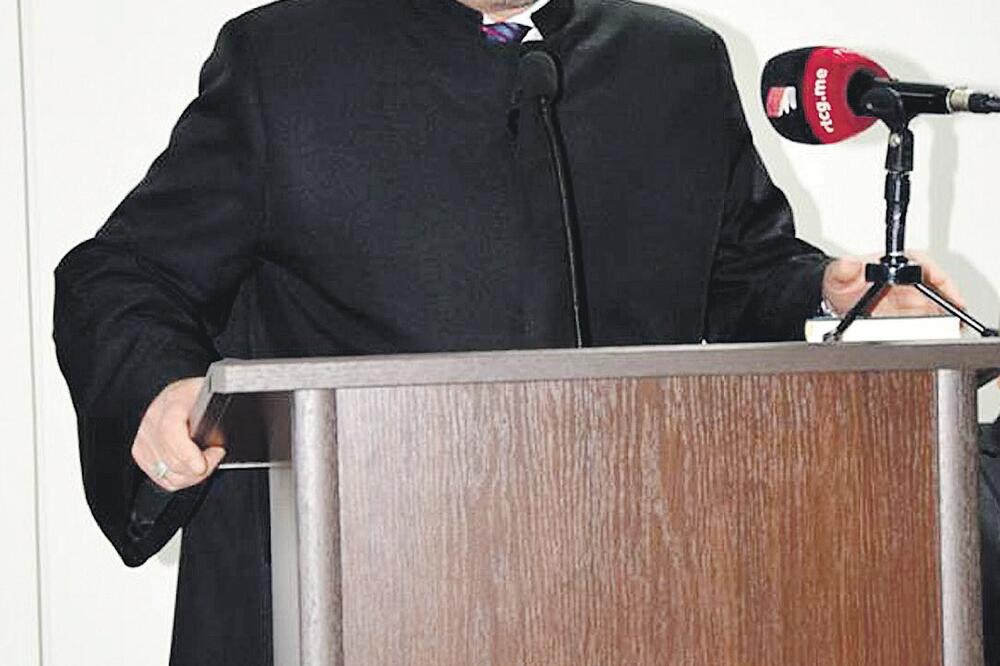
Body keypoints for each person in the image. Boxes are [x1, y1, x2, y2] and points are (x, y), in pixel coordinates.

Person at [52, 0, 964, 663]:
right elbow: (122, 273)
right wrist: (159, 386)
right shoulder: (287, 57)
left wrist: (828, 291)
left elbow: (737, 273)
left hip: (633, 574)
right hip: (365, 582)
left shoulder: (673, 61)